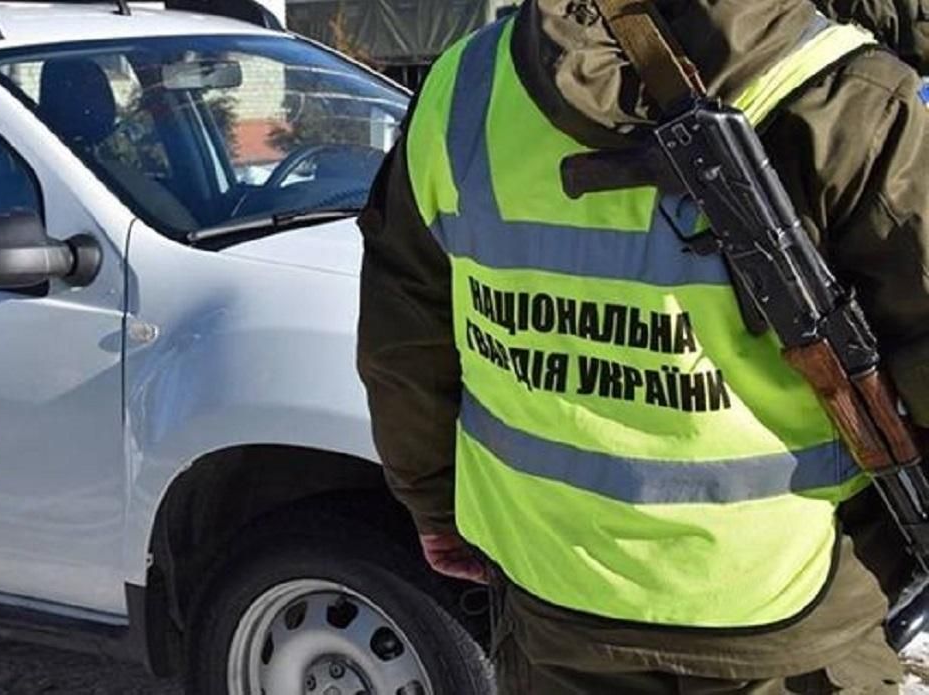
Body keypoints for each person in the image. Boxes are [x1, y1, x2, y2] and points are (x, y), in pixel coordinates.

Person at [356, 0, 929, 692]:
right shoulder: (847, 96)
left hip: (556, 599)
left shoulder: (462, 89)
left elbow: (404, 349)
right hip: (788, 618)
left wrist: (432, 505)